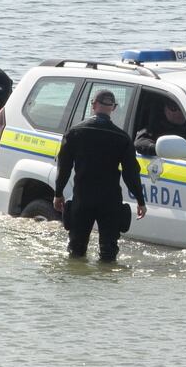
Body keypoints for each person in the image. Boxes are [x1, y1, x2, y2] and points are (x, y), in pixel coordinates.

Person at [52, 89, 148, 262]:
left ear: (93, 105)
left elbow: (64, 167)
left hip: (83, 198)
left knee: (76, 251)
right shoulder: (122, 138)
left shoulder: (75, 133)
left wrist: (58, 194)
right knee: (109, 253)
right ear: (113, 108)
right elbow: (131, 173)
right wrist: (140, 201)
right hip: (110, 201)